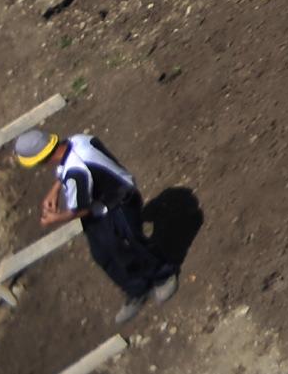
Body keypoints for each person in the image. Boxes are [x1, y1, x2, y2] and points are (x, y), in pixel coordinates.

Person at [14, 128, 176, 319]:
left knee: (133, 243)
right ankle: (136, 289)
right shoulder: (77, 141)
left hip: (118, 204)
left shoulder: (76, 172)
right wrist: (55, 190)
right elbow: (65, 171)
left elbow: (80, 209)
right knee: (102, 254)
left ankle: (162, 275)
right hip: (105, 201)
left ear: (42, 160)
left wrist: (56, 219)